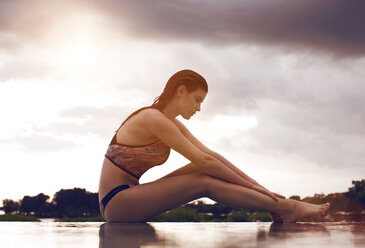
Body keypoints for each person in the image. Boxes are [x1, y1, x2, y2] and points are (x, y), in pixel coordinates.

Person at [98, 69, 330, 223]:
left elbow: (210, 155)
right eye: (197, 99)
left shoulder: (169, 122)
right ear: (181, 91)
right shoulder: (153, 118)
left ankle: (278, 205)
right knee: (203, 179)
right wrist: (258, 190)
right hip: (116, 203)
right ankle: (288, 208)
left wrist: (260, 188)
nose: (198, 108)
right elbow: (206, 163)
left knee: (199, 170)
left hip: (131, 196)